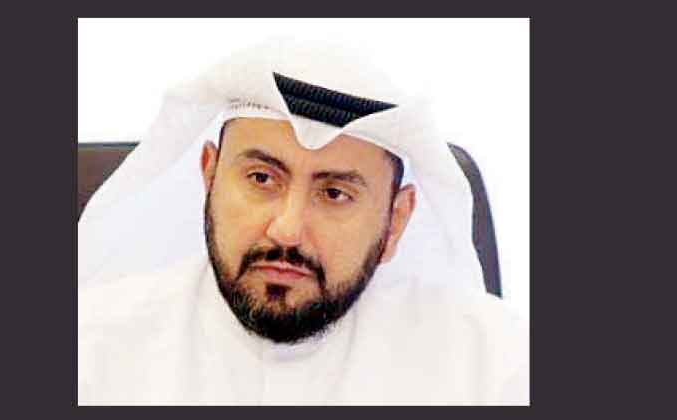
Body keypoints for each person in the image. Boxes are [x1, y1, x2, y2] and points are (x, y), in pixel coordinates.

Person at [77, 38, 529, 405]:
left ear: (396, 221)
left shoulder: (495, 369)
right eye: (261, 179)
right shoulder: (90, 351)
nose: (287, 230)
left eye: (334, 194)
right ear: (210, 177)